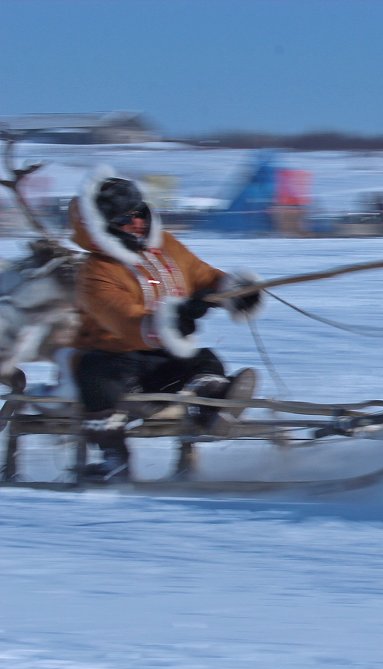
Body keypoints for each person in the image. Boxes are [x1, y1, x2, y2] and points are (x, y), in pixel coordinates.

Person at [68, 170, 264, 482]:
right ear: (102, 227)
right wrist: (175, 316)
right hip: (114, 357)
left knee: (204, 359)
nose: (137, 224)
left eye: (139, 214)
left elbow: (202, 275)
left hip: (162, 358)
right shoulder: (95, 272)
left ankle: (211, 403)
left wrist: (233, 291)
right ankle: (113, 456)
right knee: (96, 373)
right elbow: (122, 318)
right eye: (124, 220)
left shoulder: (167, 247)